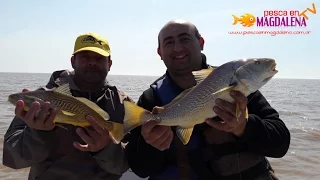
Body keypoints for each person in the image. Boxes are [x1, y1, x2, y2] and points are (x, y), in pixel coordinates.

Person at [124, 19, 291, 180]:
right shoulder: (151, 99)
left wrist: (244, 127)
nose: (178, 47)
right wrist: (150, 145)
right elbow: (140, 169)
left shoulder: (238, 86)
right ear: (160, 53)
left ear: (201, 43)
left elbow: (281, 144)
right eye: (168, 42)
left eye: (185, 39)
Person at [2, 32, 134, 180]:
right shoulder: (40, 100)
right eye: (85, 57)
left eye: (99, 58)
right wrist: (37, 133)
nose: (92, 62)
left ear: (109, 64)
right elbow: (12, 159)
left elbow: (133, 163)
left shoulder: (124, 104)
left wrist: (106, 149)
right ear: (73, 61)